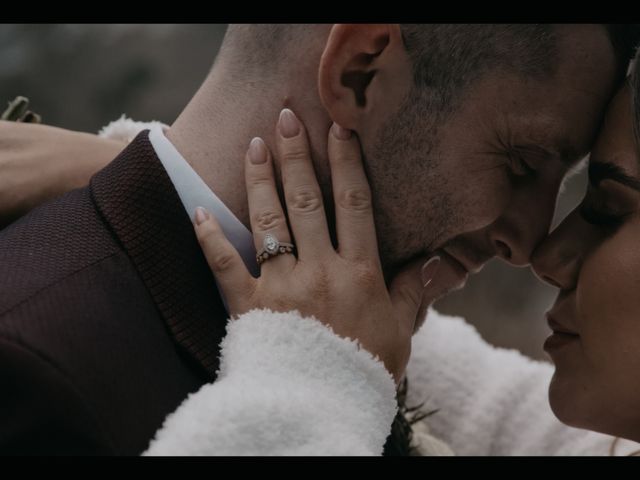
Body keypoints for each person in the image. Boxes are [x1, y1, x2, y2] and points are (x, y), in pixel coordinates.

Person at [0, 24, 636, 455]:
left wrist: (319, 370)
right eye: (522, 164)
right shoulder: (33, 374)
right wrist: (140, 172)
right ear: (360, 73)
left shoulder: (337, 352)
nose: (529, 245)